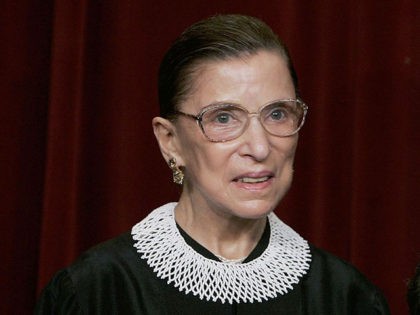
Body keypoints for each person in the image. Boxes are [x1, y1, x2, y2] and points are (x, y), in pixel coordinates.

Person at [35, 14, 390, 314]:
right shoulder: (94, 294)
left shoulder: (347, 299)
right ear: (170, 141)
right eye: (223, 118)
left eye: (278, 113)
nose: (260, 146)